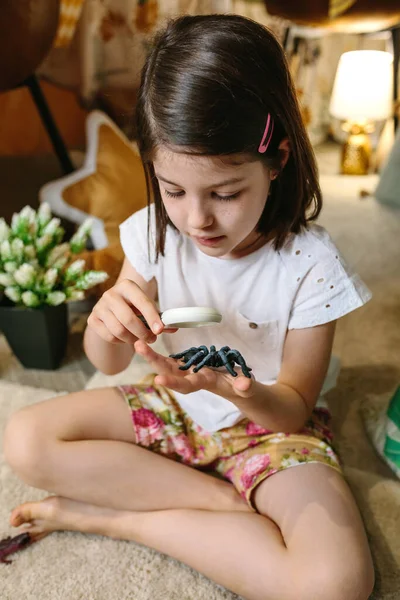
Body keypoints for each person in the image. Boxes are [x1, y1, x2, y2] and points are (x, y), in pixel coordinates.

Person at [3, 14, 374, 600]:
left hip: (267, 429)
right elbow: (103, 361)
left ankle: (117, 519)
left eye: (225, 194)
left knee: (337, 585)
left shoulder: (308, 264)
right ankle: (219, 503)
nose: (197, 219)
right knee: (24, 438)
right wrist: (107, 317)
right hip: (174, 408)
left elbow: (293, 412)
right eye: (173, 190)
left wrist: (232, 390)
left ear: (276, 161)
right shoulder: (153, 233)